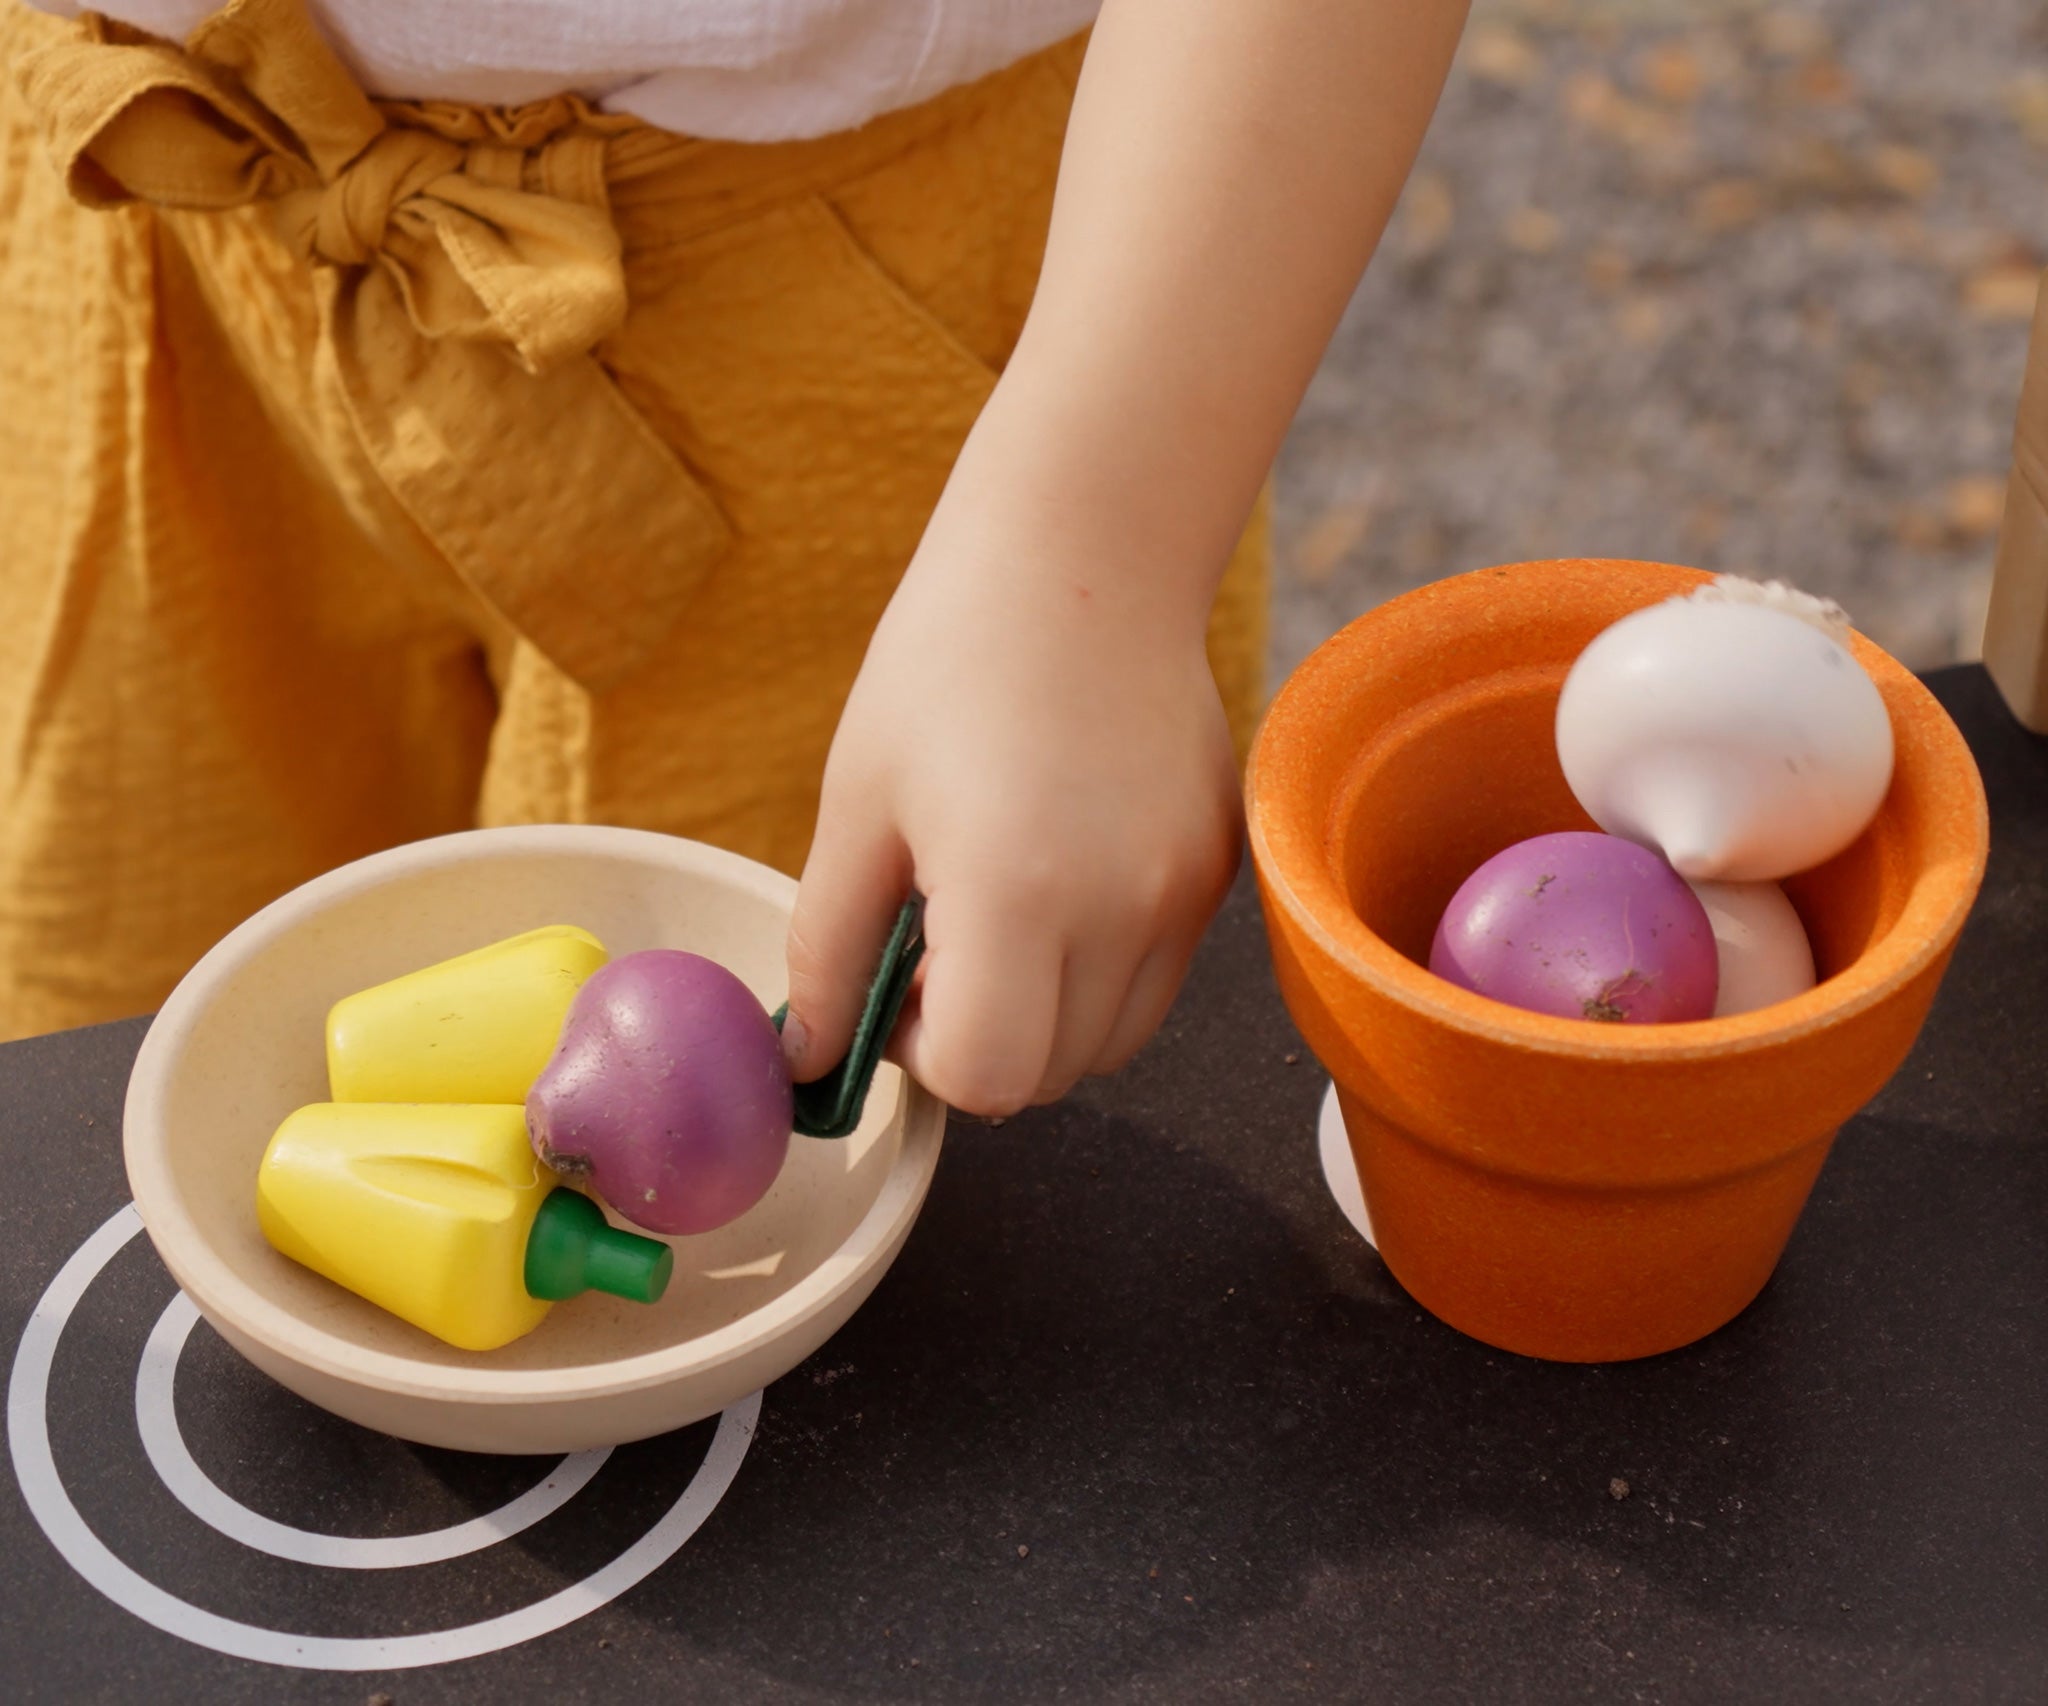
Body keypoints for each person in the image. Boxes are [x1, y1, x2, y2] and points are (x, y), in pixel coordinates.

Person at [0, 0, 1468, 1112]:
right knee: (142, 1085)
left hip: (865, 369)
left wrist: (1094, 545)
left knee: (789, 1210)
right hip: (145, 209)